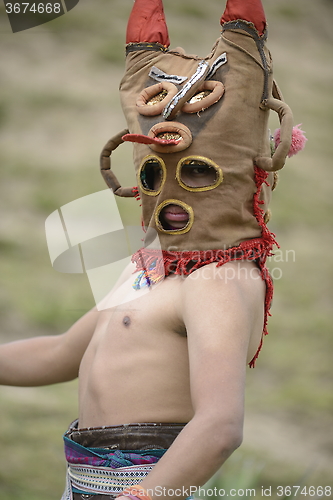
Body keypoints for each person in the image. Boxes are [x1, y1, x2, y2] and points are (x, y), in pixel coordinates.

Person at [0, 0, 305, 499]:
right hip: (83, 485)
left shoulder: (218, 280)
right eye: (155, 174)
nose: (175, 193)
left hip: (141, 489)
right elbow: (59, 354)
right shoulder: (148, 266)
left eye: (200, 172)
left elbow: (219, 427)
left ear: (244, 178)